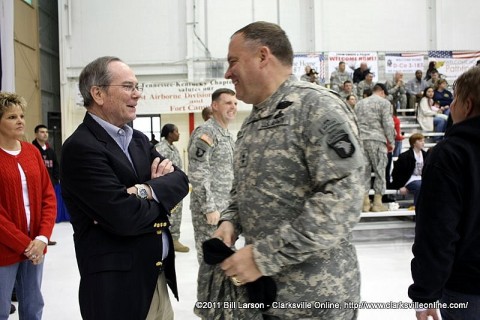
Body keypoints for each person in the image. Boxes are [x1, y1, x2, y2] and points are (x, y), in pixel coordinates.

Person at [216, 21, 365, 319]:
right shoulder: (253, 121)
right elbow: (243, 188)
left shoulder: (316, 107)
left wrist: (262, 257)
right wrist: (230, 220)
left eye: (233, 62)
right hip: (266, 294)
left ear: (262, 56)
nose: (227, 73)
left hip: (315, 298)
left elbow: (343, 200)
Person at [60, 56, 189, 320]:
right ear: (98, 93)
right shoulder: (81, 148)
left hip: (156, 276)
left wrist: (145, 190)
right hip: (118, 290)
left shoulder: (138, 140)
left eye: (137, 87)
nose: (138, 94)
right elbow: (124, 217)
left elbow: (181, 181)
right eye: (128, 87)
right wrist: (159, 192)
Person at [409, 66, 480, 320]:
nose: (451, 106)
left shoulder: (449, 155)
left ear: (467, 105)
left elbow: (437, 232)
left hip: (468, 290)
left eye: (455, 99)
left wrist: (425, 294)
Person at [0, 91, 56, 319]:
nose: (20, 121)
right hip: (6, 249)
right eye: (12, 117)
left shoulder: (32, 153)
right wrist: (25, 244)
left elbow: (48, 197)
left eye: (21, 115)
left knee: (33, 306)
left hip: (35, 247)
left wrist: (42, 238)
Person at [188, 88, 237, 264]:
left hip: (225, 209)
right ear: (215, 106)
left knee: (227, 262)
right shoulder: (206, 133)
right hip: (210, 211)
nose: (233, 107)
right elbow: (197, 172)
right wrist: (209, 207)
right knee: (211, 264)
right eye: (228, 103)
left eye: (235, 103)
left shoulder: (226, 135)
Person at [355, 83, 395, 212]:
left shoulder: (359, 103)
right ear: (382, 92)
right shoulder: (384, 103)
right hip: (377, 139)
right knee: (380, 171)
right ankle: (378, 203)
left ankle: (365, 203)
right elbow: (388, 123)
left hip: (361, 140)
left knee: (363, 172)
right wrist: (392, 141)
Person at [155, 124, 189, 253]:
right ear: (170, 134)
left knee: (176, 214)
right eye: (176, 131)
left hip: (175, 188)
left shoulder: (172, 148)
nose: (178, 134)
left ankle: (174, 239)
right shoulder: (161, 148)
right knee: (168, 215)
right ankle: (166, 242)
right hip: (166, 188)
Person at [32, 124, 59, 245]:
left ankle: (45, 236)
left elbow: (56, 166)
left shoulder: (50, 151)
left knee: (47, 211)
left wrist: (55, 179)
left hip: (49, 185)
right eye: (42, 132)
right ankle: (35, 237)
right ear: (36, 134)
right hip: (35, 187)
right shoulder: (32, 149)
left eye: (46, 132)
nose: (45, 134)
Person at [389, 133, 427, 208]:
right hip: (409, 180)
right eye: (420, 141)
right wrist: (400, 186)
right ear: (413, 143)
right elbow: (396, 173)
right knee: (420, 186)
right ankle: (417, 211)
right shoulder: (404, 156)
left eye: (423, 141)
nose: (423, 143)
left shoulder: (426, 155)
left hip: (422, 179)